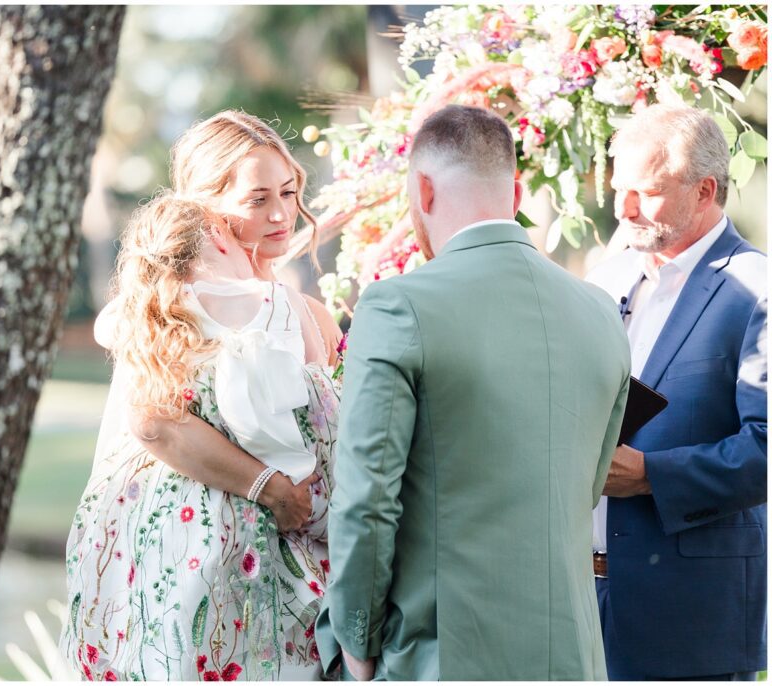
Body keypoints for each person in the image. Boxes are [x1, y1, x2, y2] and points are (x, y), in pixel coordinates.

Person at [315, 104, 631, 680]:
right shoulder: (601, 313)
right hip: (574, 657)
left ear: (424, 190)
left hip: (445, 654)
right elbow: (586, 485)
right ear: (514, 195)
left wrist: (356, 640)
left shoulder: (398, 305)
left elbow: (366, 499)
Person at [60, 193, 339, 680]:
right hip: (262, 548)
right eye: (258, 200)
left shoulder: (148, 317)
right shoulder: (278, 309)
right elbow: (322, 433)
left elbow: (145, 410)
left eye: (289, 194)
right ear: (216, 231)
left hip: (160, 546)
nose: (279, 214)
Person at [586, 104, 767, 681]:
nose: (624, 208)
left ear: (705, 190)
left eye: (647, 191)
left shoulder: (756, 289)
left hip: (691, 613)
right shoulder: (605, 281)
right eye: (619, 189)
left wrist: (649, 474)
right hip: (580, 603)